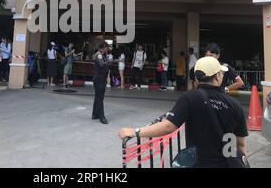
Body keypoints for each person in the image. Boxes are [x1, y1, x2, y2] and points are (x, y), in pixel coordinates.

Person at [118, 56, 249, 168]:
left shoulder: (189, 98)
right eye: (220, 73)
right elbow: (241, 144)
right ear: (218, 77)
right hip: (228, 163)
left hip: (200, 163)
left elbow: (168, 126)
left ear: (197, 79)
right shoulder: (235, 105)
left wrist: (134, 132)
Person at [92, 42, 110, 124]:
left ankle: (95, 114)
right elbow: (102, 64)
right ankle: (101, 117)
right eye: (107, 47)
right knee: (100, 98)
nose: (107, 49)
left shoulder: (103, 55)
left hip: (102, 78)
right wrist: (108, 62)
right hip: (99, 79)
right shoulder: (98, 54)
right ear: (103, 47)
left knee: (98, 97)